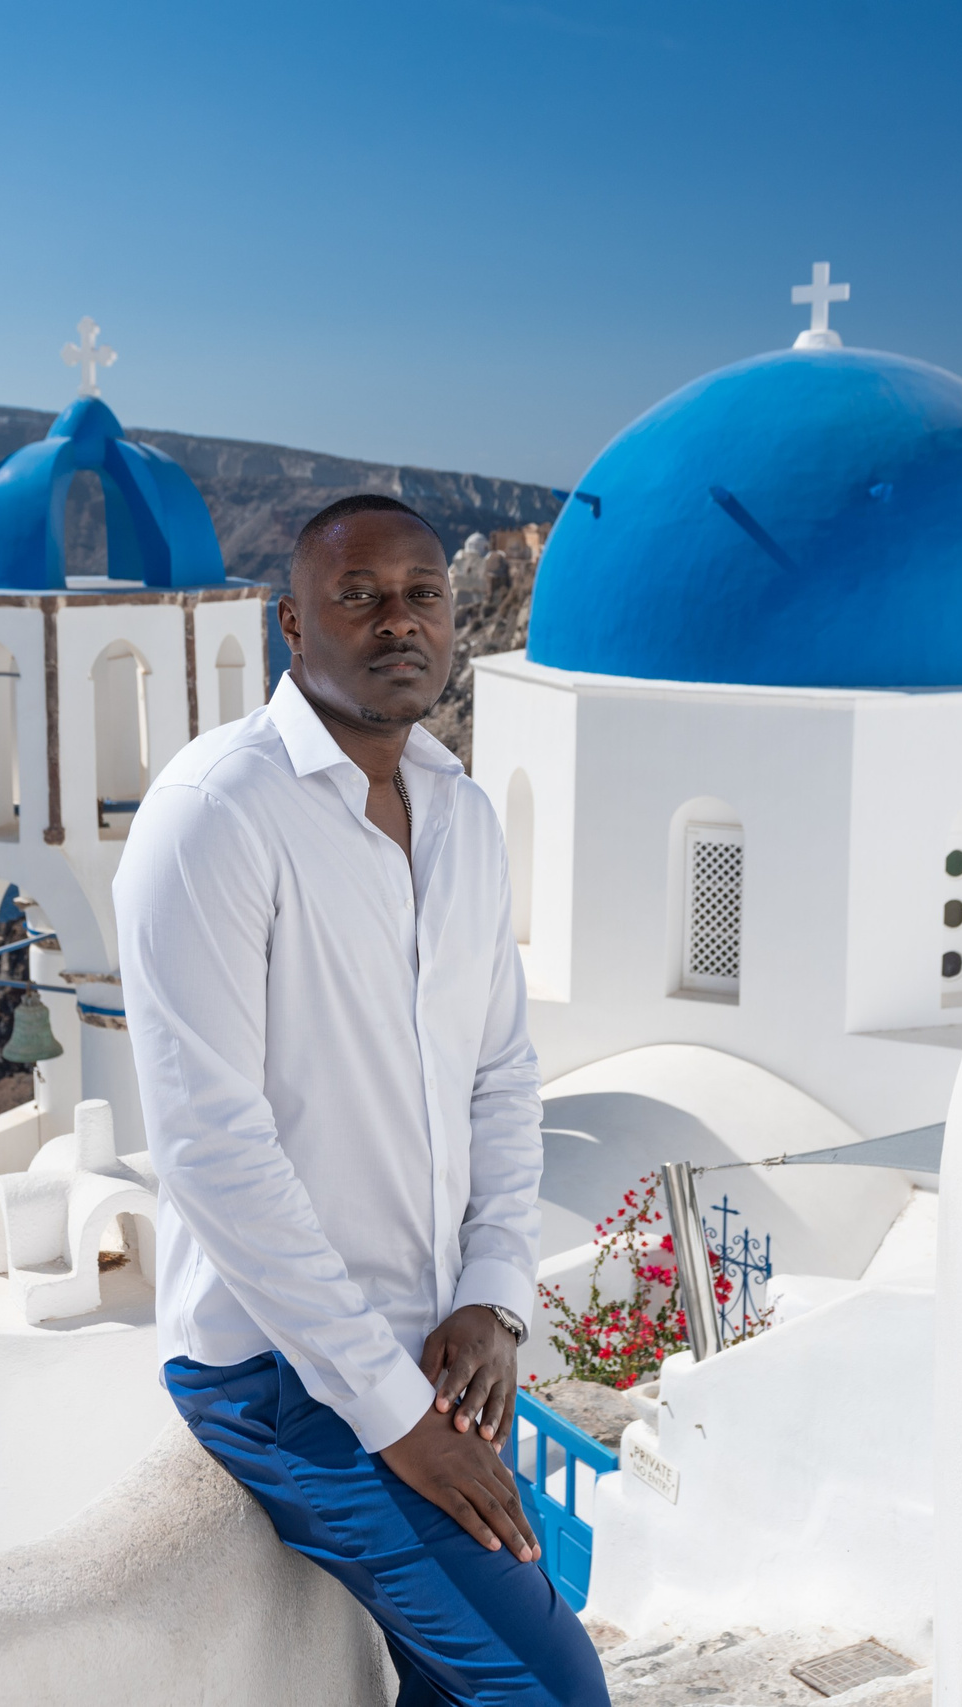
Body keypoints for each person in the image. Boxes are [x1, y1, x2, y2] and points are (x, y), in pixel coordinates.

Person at [115, 494, 607, 1706]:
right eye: (359, 596)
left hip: (433, 1348)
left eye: (423, 593)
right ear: (293, 623)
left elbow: (500, 1073)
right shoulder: (217, 816)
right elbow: (210, 1147)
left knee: (457, 1681)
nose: (400, 621)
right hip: (283, 1377)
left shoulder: (461, 815)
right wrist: (393, 1416)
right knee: (548, 1690)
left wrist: (493, 1295)